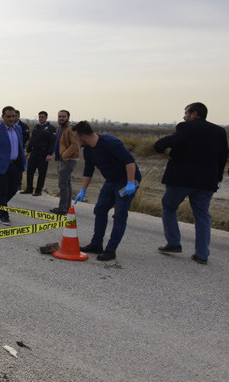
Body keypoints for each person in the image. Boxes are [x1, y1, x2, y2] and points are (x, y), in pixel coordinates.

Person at [153, 102, 228, 264]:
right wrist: (218, 177)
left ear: (194, 114)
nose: (184, 116)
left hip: (181, 179)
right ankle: (202, 254)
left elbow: (165, 142)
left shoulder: (186, 127)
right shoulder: (220, 131)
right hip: (207, 181)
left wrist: (160, 150)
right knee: (202, 216)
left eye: (186, 113)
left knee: (169, 207)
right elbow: (223, 157)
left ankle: (173, 243)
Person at [73, 121, 141, 262]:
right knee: (100, 210)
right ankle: (96, 244)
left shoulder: (110, 142)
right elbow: (88, 171)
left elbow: (130, 162)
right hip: (111, 181)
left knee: (120, 215)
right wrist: (82, 190)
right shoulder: (88, 150)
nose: (75, 140)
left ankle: (111, 250)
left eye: (75, 137)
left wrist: (130, 183)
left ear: (83, 137)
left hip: (126, 181)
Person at [21, 111, 57, 196]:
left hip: (43, 153)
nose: (41, 118)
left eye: (42, 117)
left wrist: (49, 154)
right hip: (34, 152)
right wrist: (28, 151)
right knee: (29, 171)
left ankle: (38, 190)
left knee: (41, 173)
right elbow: (32, 140)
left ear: (46, 118)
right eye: (40, 117)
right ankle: (29, 188)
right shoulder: (36, 127)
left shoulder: (51, 128)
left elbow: (52, 142)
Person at [51, 109, 79, 215]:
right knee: (67, 184)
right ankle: (66, 207)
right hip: (63, 159)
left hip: (67, 160)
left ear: (68, 117)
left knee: (63, 184)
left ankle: (62, 208)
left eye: (63, 116)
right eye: (59, 116)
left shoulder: (70, 128)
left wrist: (65, 155)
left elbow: (75, 144)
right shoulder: (62, 128)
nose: (61, 118)